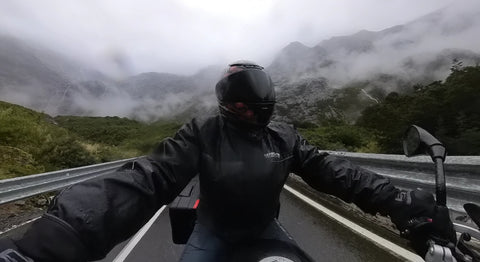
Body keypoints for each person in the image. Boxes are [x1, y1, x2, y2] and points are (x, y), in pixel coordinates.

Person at [0, 61, 455, 262]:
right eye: (245, 106)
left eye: (258, 106)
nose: (254, 113)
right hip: (211, 231)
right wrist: (60, 236)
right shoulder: (201, 133)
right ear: (230, 104)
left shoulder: (284, 135)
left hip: (263, 228)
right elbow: (148, 177)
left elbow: (336, 172)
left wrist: (403, 203)